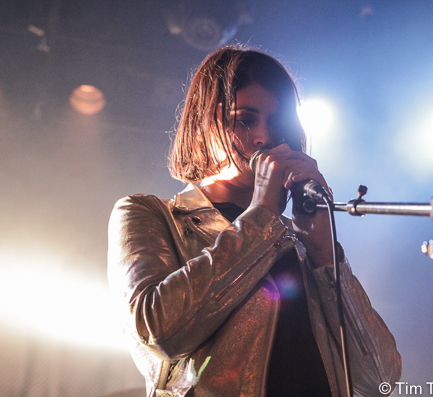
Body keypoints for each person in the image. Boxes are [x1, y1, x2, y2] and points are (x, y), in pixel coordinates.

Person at [108, 45, 401, 397]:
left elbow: (380, 378)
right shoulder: (147, 214)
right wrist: (261, 214)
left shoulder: (297, 241)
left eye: (276, 124)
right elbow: (159, 333)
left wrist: (325, 253)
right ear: (206, 123)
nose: (263, 137)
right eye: (244, 120)